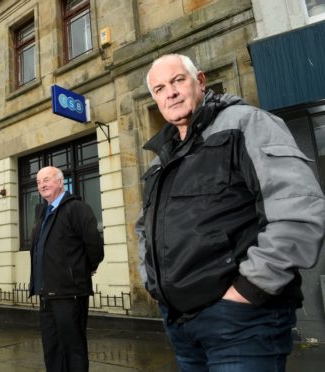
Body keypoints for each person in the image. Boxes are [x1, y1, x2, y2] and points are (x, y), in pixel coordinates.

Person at [136, 54, 325, 371]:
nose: (169, 92)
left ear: (200, 81)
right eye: (159, 88)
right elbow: (144, 230)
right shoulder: (159, 163)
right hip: (180, 326)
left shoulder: (247, 124)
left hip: (242, 323)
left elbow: (298, 210)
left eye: (178, 80)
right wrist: (154, 285)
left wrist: (247, 292)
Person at [29, 166, 104, 372]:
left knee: (73, 349)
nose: (42, 185)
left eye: (46, 180)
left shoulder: (76, 208)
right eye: (38, 182)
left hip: (70, 293)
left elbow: (94, 246)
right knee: (52, 349)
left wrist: (84, 268)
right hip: (46, 293)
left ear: (61, 182)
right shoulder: (42, 213)